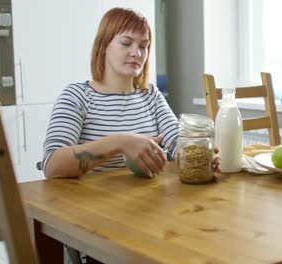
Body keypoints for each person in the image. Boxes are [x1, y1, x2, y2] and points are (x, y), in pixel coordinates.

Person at [42, 8, 219, 264]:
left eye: (144, 46)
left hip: (148, 218)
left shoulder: (150, 96)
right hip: (97, 230)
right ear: (104, 45)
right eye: (126, 43)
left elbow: (177, 142)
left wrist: (194, 159)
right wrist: (121, 142)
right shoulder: (77, 97)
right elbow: (53, 165)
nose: (137, 53)